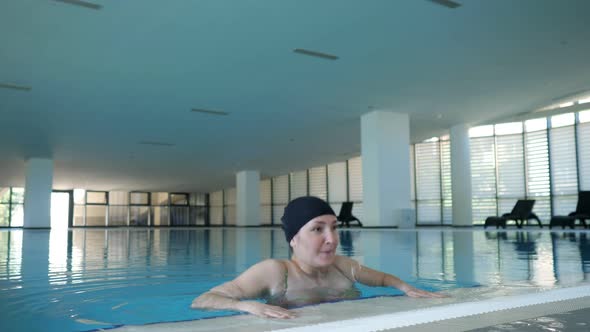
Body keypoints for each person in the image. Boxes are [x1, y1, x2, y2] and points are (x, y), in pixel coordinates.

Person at [191, 196, 445, 319]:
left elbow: (381, 279)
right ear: (293, 238)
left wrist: (404, 287)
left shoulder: (343, 266)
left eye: (334, 227)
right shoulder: (276, 272)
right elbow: (203, 300)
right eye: (317, 229)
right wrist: (246, 305)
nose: (332, 239)